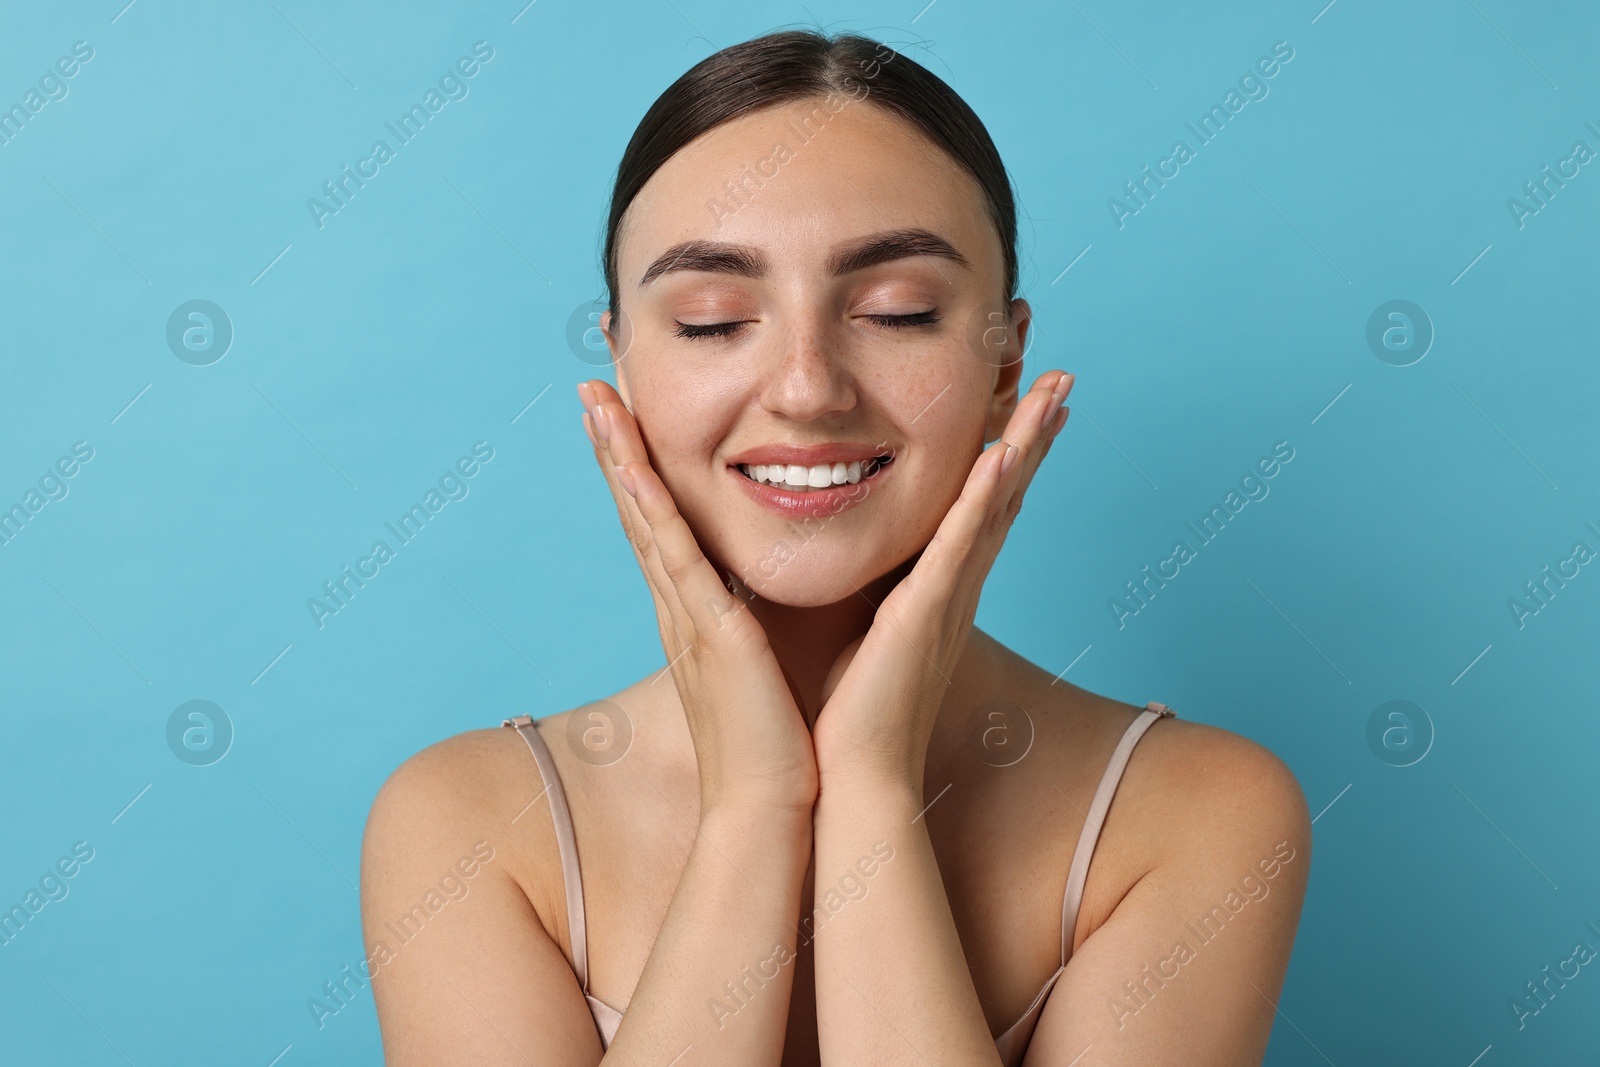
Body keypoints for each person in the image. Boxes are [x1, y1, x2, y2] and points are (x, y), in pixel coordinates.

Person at [360, 27, 1311, 1066]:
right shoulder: (466, 826)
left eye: (896, 311)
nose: (808, 387)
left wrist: (868, 792)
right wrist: (754, 806)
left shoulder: (1196, 811)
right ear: (622, 367)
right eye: (715, 320)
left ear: (1005, 364)